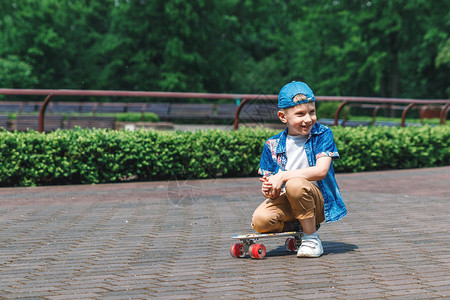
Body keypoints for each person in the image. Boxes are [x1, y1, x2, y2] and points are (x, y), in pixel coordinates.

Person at [251, 81, 347, 258]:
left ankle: (311, 238)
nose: (308, 119)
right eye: (300, 114)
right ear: (282, 116)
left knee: (295, 184)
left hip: (317, 200)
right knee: (261, 221)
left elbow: (321, 171)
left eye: (312, 112)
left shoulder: (322, 134)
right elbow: (271, 184)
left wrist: (284, 176)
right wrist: (269, 190)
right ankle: (299, 227)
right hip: (288, 198)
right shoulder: (272, 145)